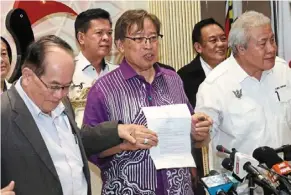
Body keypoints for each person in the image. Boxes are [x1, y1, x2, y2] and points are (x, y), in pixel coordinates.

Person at [1, 35, 158, 195]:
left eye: (66, 86)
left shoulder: (61, 101)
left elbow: (75, 140)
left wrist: (116, 131)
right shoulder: (4, 113)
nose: (60, 95)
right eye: (54, 86)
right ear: (28, 76)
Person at [83, 9, 213, 195]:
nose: (148, 45)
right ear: (120, 45)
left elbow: (193, 139)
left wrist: (198, 132)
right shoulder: (104, 89)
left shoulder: (173, 79)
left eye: (153, 38)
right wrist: (123, 144)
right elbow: (90, 147)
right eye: (138, 39)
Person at [195, 11, 291, 193]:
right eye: (263, 43)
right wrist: (197, 133)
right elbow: (202, 139)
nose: (272, 48)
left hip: (285, 183)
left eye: (272, 40)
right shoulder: (215, 86)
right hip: (244, 188)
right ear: (240, 48)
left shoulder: (282, 71)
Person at [177, 18, 227, 194]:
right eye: (213, 40)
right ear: (198, 47)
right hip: (199, 160)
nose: (221, 44)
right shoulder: (183, 78)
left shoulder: (235, 72)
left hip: (228, 156)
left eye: (223, 38)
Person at [69, 8, 118, 127]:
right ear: (81, 38)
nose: (106, 38)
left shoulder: (118, 73)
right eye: (99, 33)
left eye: (109, 33)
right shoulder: (67, 71)